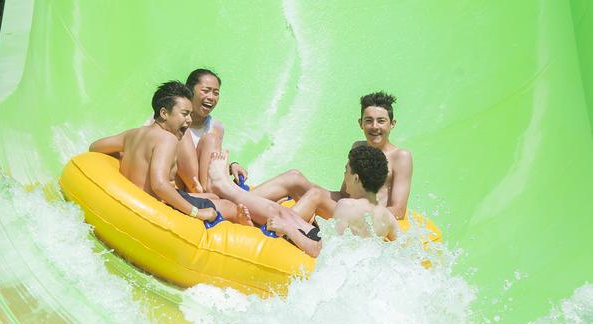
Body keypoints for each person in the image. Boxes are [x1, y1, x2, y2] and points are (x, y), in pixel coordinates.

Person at [89, 80, 252, 225]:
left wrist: (125, 156)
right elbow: (159, 185)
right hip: (155, 208)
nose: (189, 120)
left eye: (190, 114)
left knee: (214, 198)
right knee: (230, 207)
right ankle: (247, 233)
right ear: (164, 113)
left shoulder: (133, 134)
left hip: (132, 196)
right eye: (185, 114)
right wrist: (197, 213)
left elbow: (95, 146)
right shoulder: (168, 139)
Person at [207, 146, 397, 258]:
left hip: (325, 252)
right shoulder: (387, 216)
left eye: (346, 171)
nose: (344, 176)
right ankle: (228, 191)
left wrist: (288, 229)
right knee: (288, 214)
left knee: (280, 213)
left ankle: (223, 185)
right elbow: (402, 246)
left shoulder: (347, 206)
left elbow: (320, 251)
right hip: (346, 254)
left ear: (356, 179)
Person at [250, 91, 411, 220]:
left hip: (366, 217)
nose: (374, 126)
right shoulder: (358, 147)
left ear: (392, 124)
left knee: (316, 195)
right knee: (294, 177)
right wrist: (304, 193)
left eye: (381, 121)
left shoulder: (401, 157)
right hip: (345, 206)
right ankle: (239, 201)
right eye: (369, 120)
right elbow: (344, 194)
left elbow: (398, 210)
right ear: (360, 123)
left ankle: (283, 226)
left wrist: (362, 211)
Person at [146, 69, 248, 193]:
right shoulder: (166, 116)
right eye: (205, 91)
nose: (211, 97)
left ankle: (205, 193)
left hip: (200, 186)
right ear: (190, 91)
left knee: (211, 140)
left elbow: (211, 162)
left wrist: (232, 166)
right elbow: (143, 144)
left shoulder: (216, 127)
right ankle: (203, 194)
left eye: (216, 93)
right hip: (171, 183)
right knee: (182, 133)